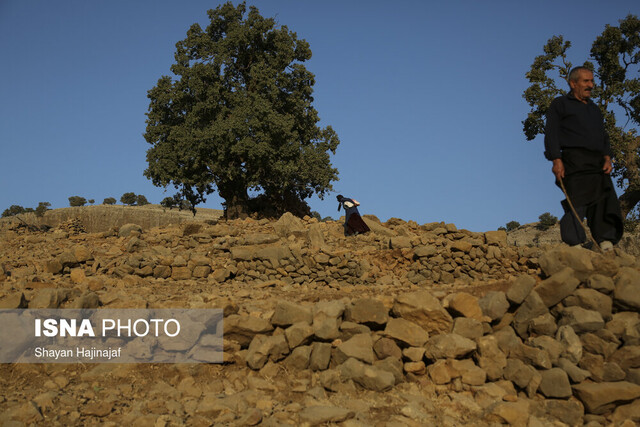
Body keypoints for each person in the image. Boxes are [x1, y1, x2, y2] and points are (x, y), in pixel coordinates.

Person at [544, 66, 623, 250]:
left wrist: (607, 157)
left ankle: (605, 242)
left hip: (597, 162)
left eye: (592, 81)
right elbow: (551, 133)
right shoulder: (560, 104)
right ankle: (575, 244)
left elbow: (603, 135)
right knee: (577, 200)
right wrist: (556, 159)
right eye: (586, 81)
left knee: (604, 199)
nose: (591, 85)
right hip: (574, 159)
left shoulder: (595, 109)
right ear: (573, 83)